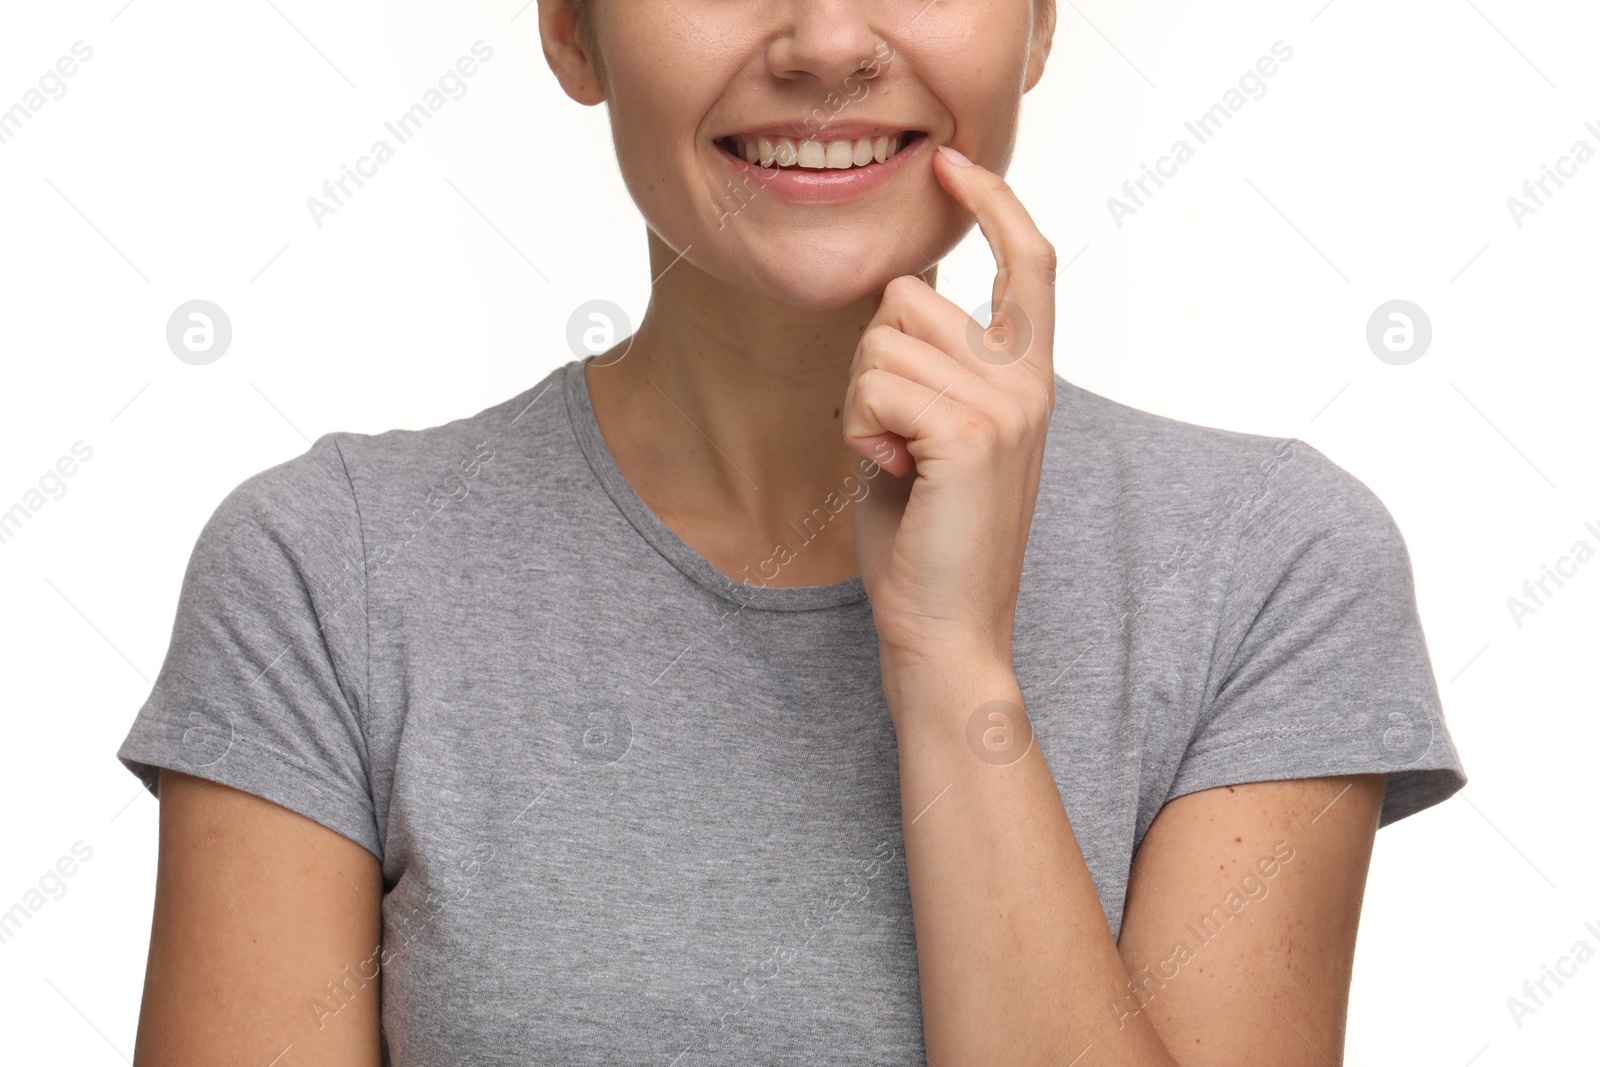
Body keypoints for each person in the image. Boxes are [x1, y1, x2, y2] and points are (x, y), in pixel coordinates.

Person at [116, 1, 1467, 1064]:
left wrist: (953, 669)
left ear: (1042, 21)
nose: (827, 43)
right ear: (571, 27)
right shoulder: (326, 575)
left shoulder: (1267, 569)